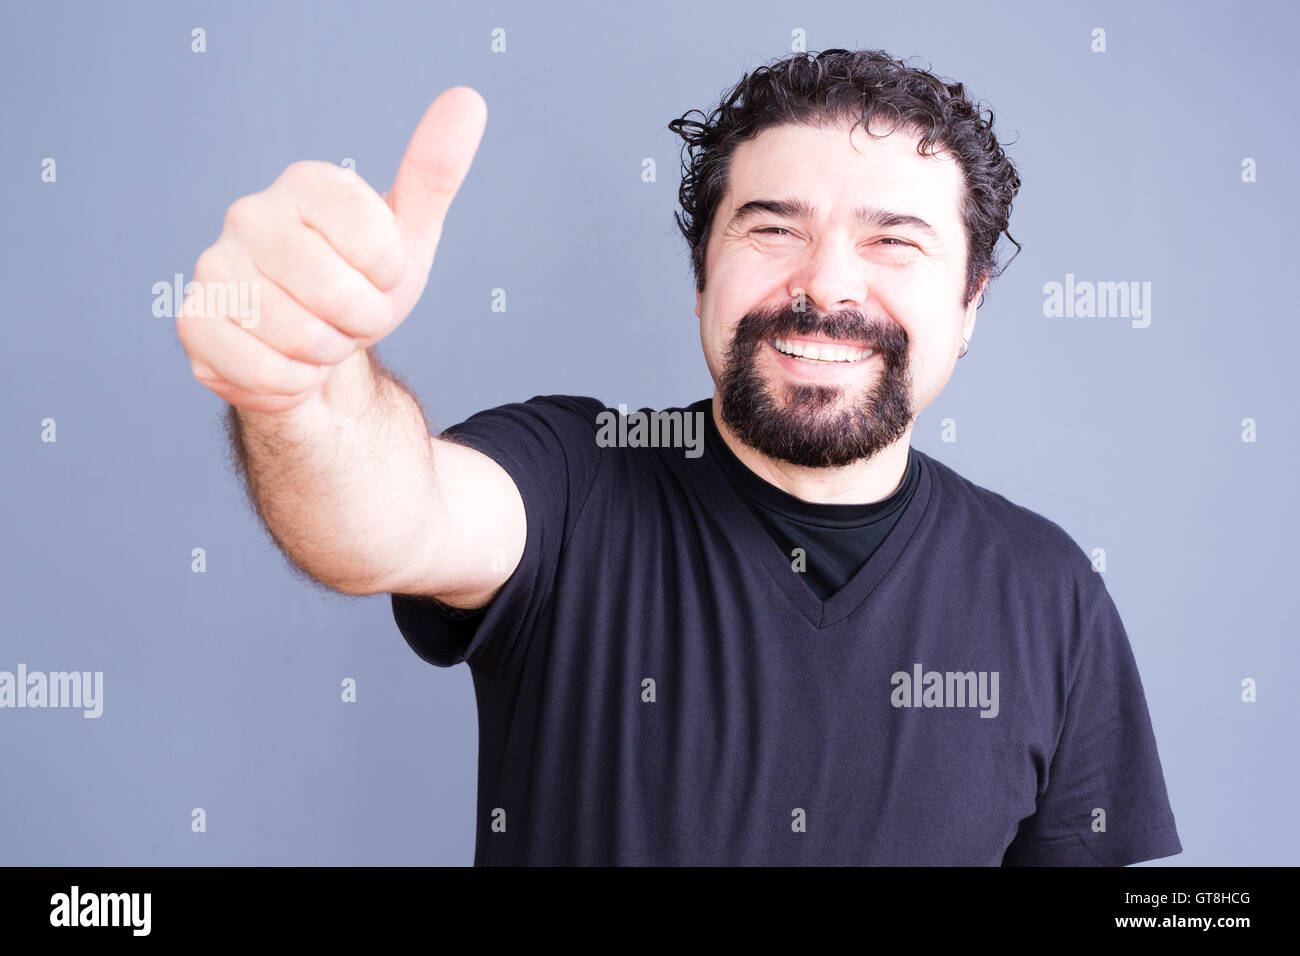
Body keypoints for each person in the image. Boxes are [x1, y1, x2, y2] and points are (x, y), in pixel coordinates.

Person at [177, 49, 1182, 866]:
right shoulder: (575, 476)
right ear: (703, 274)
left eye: (894, 242)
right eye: (772, 225)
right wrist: (304, 387)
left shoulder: (1049, 589)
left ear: (967, 307)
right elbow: (382, 518)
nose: (824, 283)